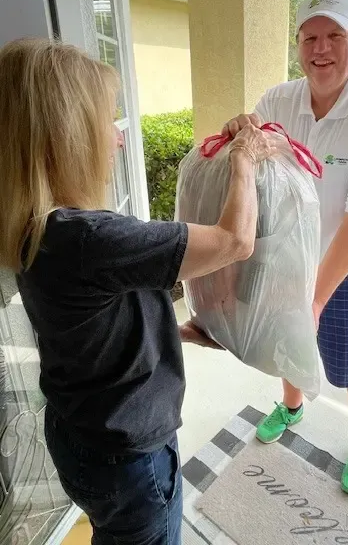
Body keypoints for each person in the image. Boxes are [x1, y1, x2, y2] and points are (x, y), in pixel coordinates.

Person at [0, 38, 274, 544]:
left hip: (76, 434)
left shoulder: (32, 228)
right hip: (130, 457)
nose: (119, 139)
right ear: (67, 137)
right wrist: (244, 160)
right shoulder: (88, 238)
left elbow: (92, 326)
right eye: (107, 122)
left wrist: (179, 333)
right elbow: (235, 242)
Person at [223, 0, 348, 497]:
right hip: (290, 250)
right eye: (310, 37)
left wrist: (315, 299)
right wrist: (240, 135)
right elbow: (256, 169)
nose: (320, 49)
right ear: (298, 44)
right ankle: (291, 406)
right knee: (283, 342)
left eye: (334, 36)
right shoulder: (278, 100)